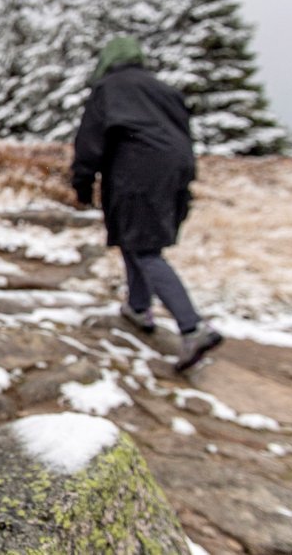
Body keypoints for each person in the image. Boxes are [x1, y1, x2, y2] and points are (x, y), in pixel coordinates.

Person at [72, 36, 222, 373]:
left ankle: (193, 327)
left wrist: (82, 181)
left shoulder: (109, 89)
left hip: (137, 169)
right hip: (175, 169)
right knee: (134, 238)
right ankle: (139, 307)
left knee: (145, 249)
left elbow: (90, 141)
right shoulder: (163, 89)